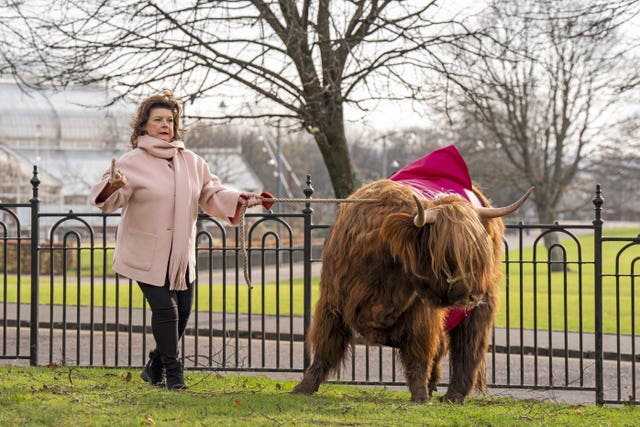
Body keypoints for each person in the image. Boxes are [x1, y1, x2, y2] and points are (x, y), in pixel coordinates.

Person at [89, 90, 270, 390]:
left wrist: (245, 199)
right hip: (145, 253)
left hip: (181, 256)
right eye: (158, 119)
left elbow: (212, 194)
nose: (165, 125)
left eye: (170, 120)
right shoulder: (132, 161)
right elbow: (108, 200)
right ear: (144, 125)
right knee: (166, 311)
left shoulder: (193, 162)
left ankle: (154, 366)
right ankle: (174, 376)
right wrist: (112, 184)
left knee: (182, 313)